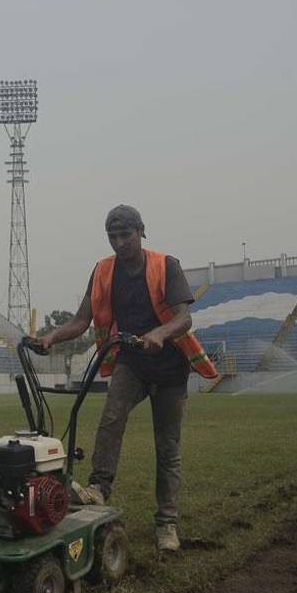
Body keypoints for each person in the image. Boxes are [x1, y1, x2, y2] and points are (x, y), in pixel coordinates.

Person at [37, 205, 216, 552]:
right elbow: (81, 320)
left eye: (126, 235)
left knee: (167, 447)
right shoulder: (103, 270)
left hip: (170, 369)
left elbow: (185, 318)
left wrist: (161, 333)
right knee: (111, 417)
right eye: (113, 236)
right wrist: (51, 338)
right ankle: (98, 488)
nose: (120, 243)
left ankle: (167, 522)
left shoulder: (166, 265)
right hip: (131, 362)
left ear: (141, 231)